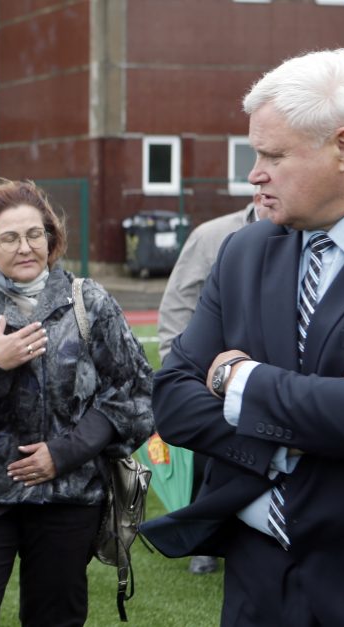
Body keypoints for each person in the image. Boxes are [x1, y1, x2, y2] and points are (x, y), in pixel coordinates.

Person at [142, 48, 344, 626]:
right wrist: (308, 426)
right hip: (256, 587)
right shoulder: (246, 249)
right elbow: (174, 400)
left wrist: (239, 378)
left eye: (271, 155)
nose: (253, 174)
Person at [0, 180, 154, 627]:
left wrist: (65, 453)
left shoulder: (88, 301)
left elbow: (135, 392)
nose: (26, 247)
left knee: (55, 619)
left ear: (51, 237)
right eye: (10, 237)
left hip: (68, 498)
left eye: (35, 234)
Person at [154, 192, 267, 575]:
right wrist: (179, 368)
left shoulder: (303, 232)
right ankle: (203, 538)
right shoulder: (212, 235)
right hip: (211, 375)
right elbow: (178, 301)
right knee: (211, 460)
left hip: (267, 377)